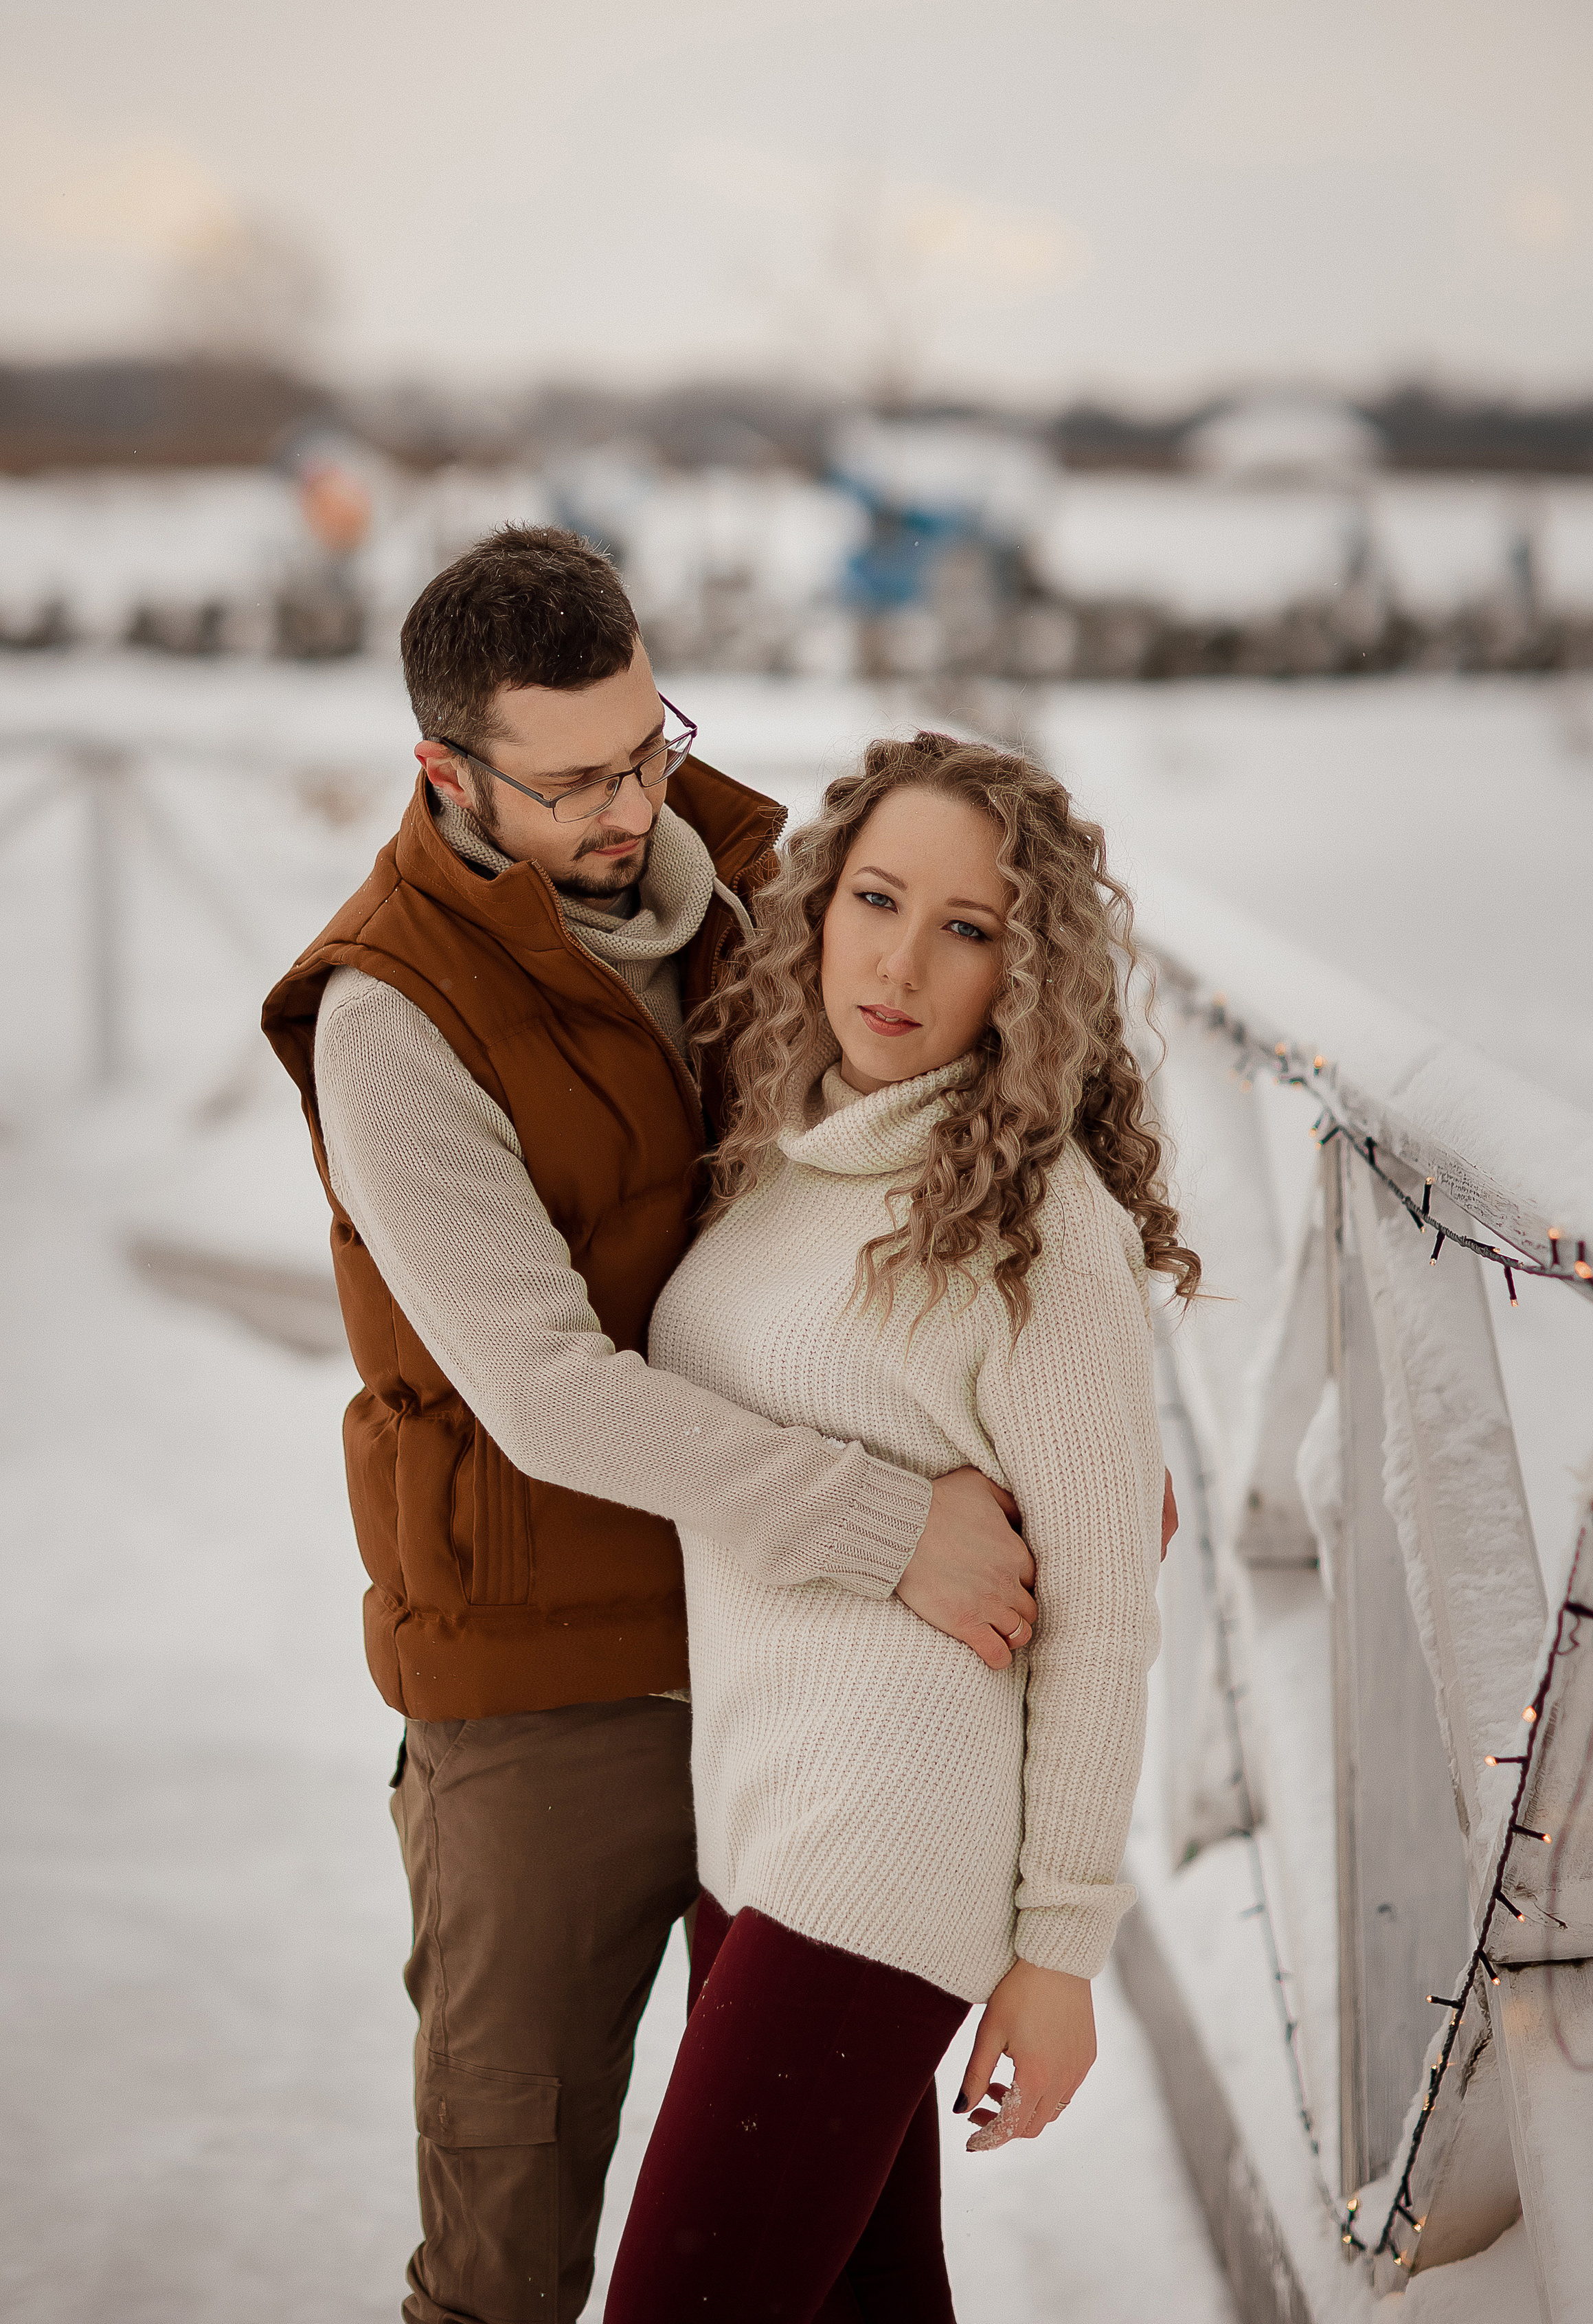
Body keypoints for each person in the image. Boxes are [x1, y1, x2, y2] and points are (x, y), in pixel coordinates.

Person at [260, 528, 1048, 2324]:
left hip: (799, 1663)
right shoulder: (391, 1015)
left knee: (839, 2237)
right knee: (508, 2249)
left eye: (650, 745)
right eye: (575, 781)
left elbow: (970, 1140)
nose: (632, 805)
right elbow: (546, 1394)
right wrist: (888, 1524)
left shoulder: (778, 876)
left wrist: (1055, 1441)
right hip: (550, 1686)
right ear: (445, 773)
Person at [605, 730, 1201, 2324]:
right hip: (752, 1819)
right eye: (875, 899)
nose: (900, 962)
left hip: (878, 1845)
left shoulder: (1035, 1227)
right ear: (815, 907)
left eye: (968, 927)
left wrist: (1059, 1953)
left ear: (1027, 971)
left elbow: (1102, 1613)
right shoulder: (788, 1157)